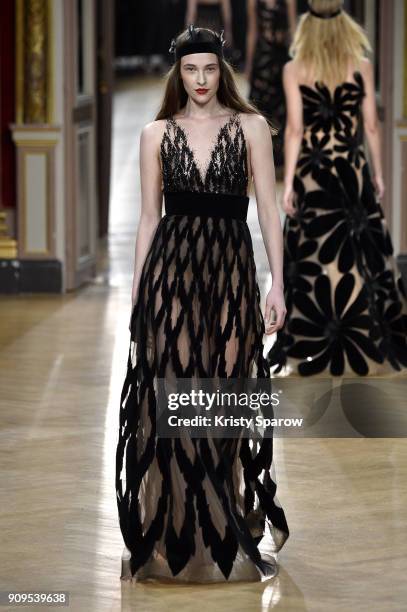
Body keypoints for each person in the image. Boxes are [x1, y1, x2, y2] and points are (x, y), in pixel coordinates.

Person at [115, 26, 290, 583]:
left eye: (209, 70)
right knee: (176, 391)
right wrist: (140, 295)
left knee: (226, 389)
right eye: (190, 71)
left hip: (231, 272)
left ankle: (223, 526)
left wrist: (277, 285)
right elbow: (148, 219)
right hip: (173, 272)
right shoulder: (155, 134)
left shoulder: (253, 128)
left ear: (222, 71)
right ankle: (177, 532)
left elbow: (267, 211)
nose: (199, 81)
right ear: (178, 73)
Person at [267, 0, 407, 377]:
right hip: (350, 166)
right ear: (345, 23)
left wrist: (289, 181)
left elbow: (295, 129)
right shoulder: (360, 66)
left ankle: (316, 339)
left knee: (316, 251)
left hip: (313, 170)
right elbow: (372, 126)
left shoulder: (294, 69)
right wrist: (377, 172)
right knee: (358, 252)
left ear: (307, 25)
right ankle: (364, 337)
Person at [246, 0, 297, 171]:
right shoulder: (254, 2)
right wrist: (249, 65)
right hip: (263, 58)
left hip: (282, 58)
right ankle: (258, 158)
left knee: (283, 107)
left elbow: (293, 30)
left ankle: (280, 160)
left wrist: (297, 60)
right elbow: (252, 32)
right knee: (259, 107)